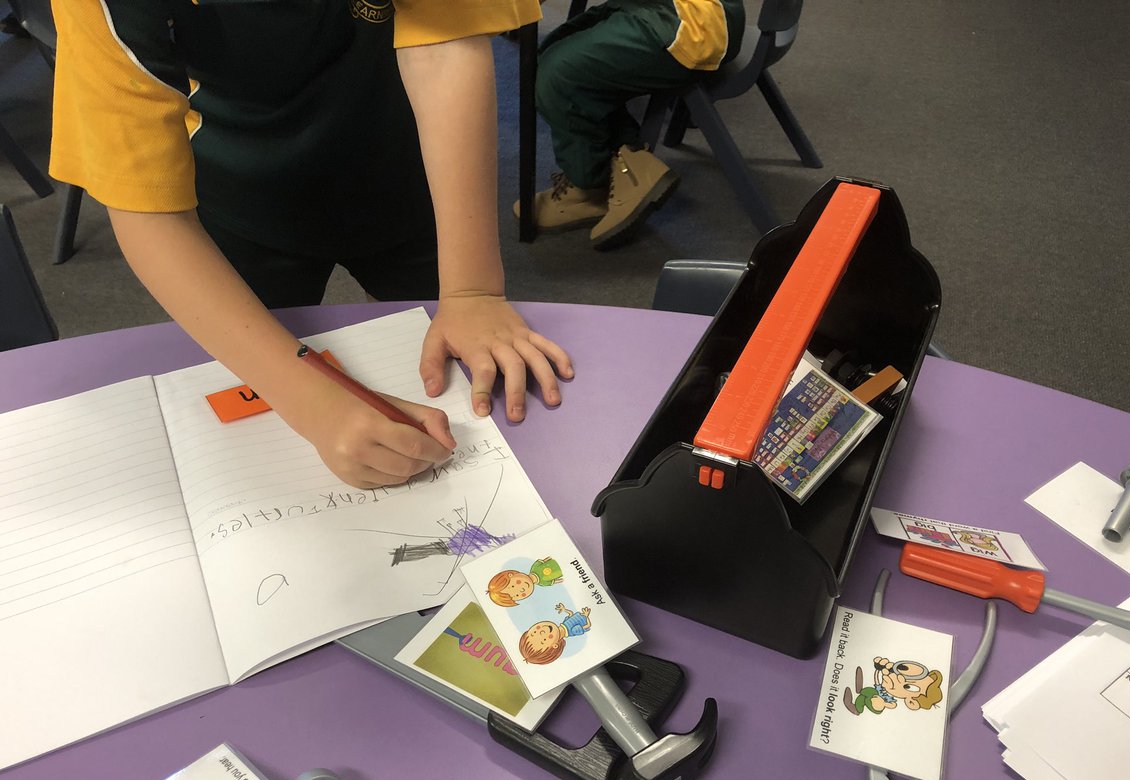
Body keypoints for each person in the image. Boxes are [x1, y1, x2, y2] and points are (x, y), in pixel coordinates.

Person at [49, 0, 572, 490]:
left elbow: (443, 46)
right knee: (255, 386)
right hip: (238, 196)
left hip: (409, 171)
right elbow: (145, 206)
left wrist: (473, 290)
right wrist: (310, 401)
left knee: (456, 370)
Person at [518, 0, 744, 249]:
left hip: (693, 27)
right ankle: (627, 162)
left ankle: (589, 190)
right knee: (557, 45)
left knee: (559, 75)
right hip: (690, 12)